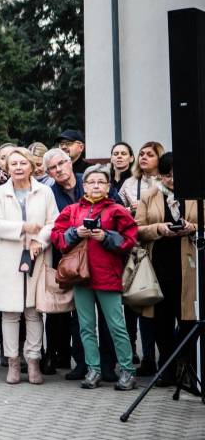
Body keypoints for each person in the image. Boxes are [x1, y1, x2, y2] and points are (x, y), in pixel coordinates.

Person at [51, 165, 139, 390]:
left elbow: (130, 239)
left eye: (101, 182)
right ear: (84, 186)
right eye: (92, 182)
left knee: (116, 326)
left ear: (108, 187)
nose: (96, 186)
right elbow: (57, 236)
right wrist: (75, 233)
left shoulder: (117, 210)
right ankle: (93, 369)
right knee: (86, 327)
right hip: (80, 277)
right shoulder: (71, 210)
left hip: (108, 276)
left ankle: (127, 370)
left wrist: (105, 236)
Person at [43, 147, 121, 381]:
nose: (58, 170)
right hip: (73, 260)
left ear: (70, 162)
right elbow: (54, 227)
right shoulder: (50, 193)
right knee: (80, 317)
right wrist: (73, 233)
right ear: (49, 172)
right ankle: (83, 363)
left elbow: (118, 216)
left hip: (104, 257)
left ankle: (108, 365)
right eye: (53, 168)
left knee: (108, 318)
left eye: (61, 163)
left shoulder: (91, 181)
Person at [0, 148, 58, 385]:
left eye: (22, 163)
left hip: (37, 256)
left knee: (34, 312)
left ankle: (34, 360)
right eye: (13, 164)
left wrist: (40, 240)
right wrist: (23, 227)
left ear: (31, 166)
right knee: (9, 313)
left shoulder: (45, 191)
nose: (18, 167)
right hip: (8, 259)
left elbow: (54, 222)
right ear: (7, 168)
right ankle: (13, 362)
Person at [134, 152, 198, 386]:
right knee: (161, 321)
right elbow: (137, 229)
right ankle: (168, 369)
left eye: (176, 174)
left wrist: (193, 227)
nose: (172, 179)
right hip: (159, 265)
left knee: (190, 320)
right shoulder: (149, 195)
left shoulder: (196, 194)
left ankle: (185, 363)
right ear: (160, 175)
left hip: (189, 266)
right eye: (167, 175)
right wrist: (158, 229)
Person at [119, 141, 165, 212]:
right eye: (141, 154)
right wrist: (131, 209)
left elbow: (174, 210)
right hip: (136, 219)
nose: (144, 157)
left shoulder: (167, 182)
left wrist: (144, 206)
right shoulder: (129, 183)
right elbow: (117, 210)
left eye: (150, 155)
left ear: (160, 159)